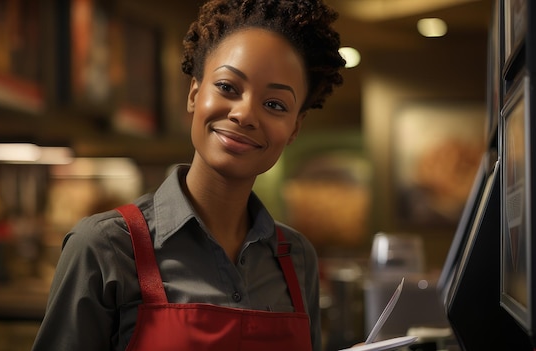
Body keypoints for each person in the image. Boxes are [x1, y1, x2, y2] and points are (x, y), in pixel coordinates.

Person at [32, 0, 344, 349]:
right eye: (228, 87)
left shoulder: (297, 258)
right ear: (194, 93)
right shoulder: (105, 248)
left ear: (295, 128)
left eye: (275, 105)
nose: (245, 114)